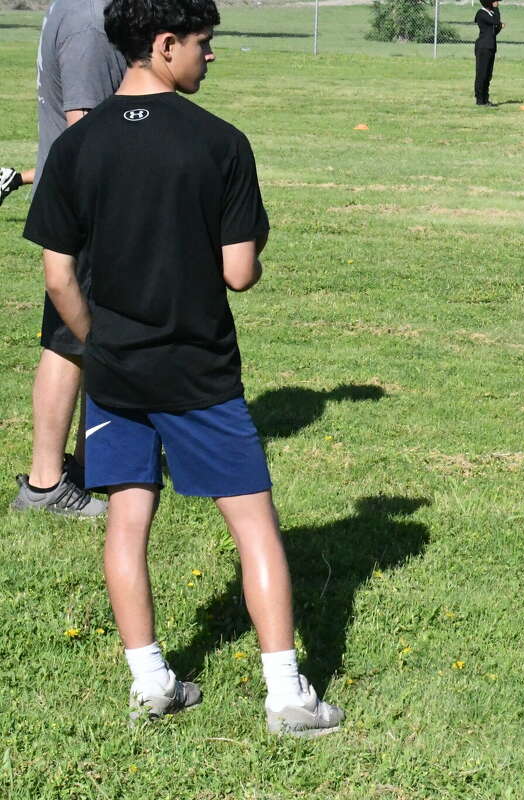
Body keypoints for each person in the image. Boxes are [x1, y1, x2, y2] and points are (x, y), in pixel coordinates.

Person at [24, 0, 344, 735]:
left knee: (127, 521)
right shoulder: (220, 143)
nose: (210, 56)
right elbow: (239, 273)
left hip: (114, 372)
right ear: (164, 45)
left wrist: (97, 340)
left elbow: (57, 276)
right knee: (254, 523)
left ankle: (152, 683)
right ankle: (288, 696)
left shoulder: (78, 145)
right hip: (199, 370)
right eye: (204, 43)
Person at [10, 0, 127, 518]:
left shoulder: (77, 8)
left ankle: (84, 466)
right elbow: (85, 129)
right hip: (83, 211)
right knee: (67, 342)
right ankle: (44, 485)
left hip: (78, 207)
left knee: (84, 337)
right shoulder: (89, 22)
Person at [474, 0, 504, 107]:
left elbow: (491, 33)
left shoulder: (490, 14)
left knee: (488, 74)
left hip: (490, 46)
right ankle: (479, 99)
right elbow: (496, 21)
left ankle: (485, 99)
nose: (496, 3)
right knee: (481, 74)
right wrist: (496, 8)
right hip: (483, 47)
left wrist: (499, 28)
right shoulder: (481, 13)